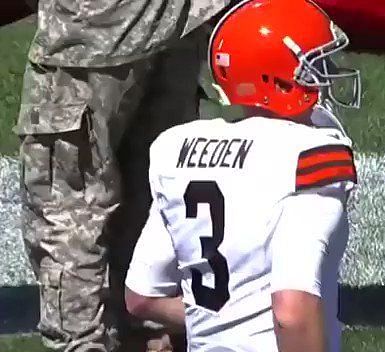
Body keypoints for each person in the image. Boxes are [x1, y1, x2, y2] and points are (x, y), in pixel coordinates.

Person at [123, 0, 360, 351]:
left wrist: (223, 322)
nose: (325, 75)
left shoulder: (176, 148)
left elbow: (141, 298)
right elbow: (292, 313)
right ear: (275, 75)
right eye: (314, 65)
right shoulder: (309, 152)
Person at [14, 0, 228, 350]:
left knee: (69, 211)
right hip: (181, 22)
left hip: (95, 28)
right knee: (156, 201)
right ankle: (153, 336)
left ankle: (86, 343)